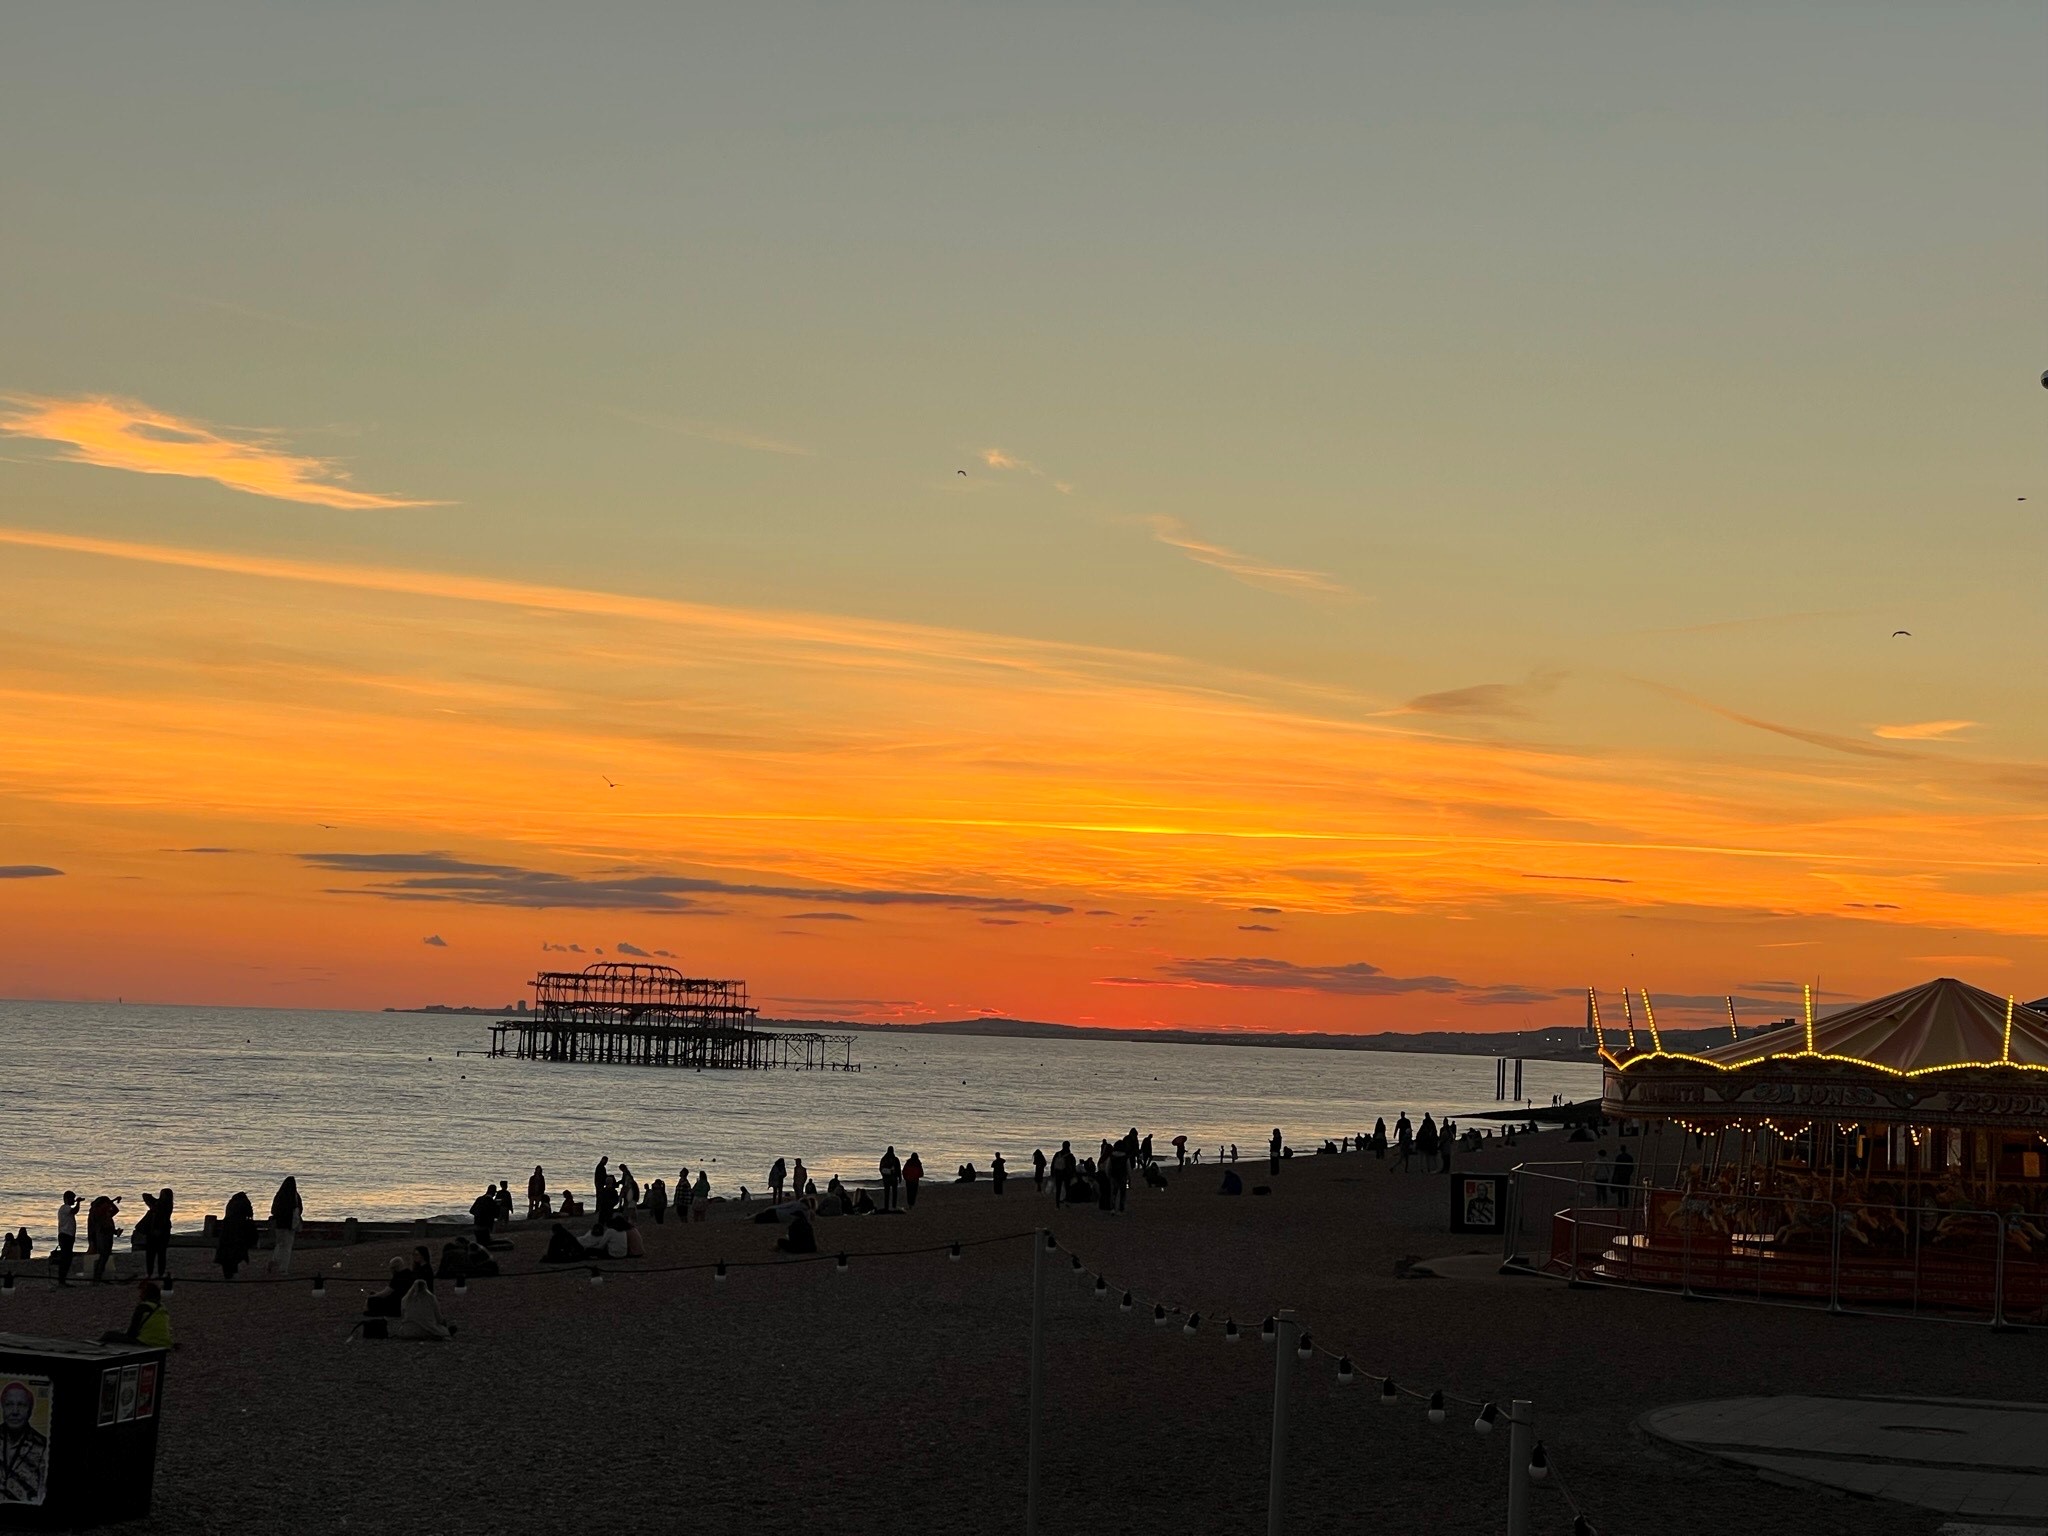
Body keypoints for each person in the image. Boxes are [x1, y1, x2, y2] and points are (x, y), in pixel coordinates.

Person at [0, 1379, 50, 1504]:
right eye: (9, 1404)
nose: (15, 1411)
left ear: (30, 1410)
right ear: (2, 1408)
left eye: (21, 1405)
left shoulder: (43, 1446)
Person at [100, 1279, 172, 1348]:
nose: (139, 1296)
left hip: (147, 1343)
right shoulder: (162, 1308)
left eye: (141, 1293)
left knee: (108, 1335)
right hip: (164, 1343)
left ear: (145, 1294)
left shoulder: (143, 1307)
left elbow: (132, 1332)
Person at [214, 1192, 256, 1280]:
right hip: (239, 1233)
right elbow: (249, 1214)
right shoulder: (244, 1205)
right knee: (236, 1253)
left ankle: (228, 1273)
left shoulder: (231, 1206)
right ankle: (233, 1272)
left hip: (227, 1234)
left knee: (227, 1253)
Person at [267, 1177, 303, 1277]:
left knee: (279, 1244)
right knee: (287, 1247)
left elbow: (273, 1210)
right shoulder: (295, 1196)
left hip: (280, 1224)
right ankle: (283, 1268)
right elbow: (300, 1209)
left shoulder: (279, 1195)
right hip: (290, 1225)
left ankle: (274, 1260)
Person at [137, 1188, 173, 1280]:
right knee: (158, 1254)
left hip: (158, 1232)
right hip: (160, 1232)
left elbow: (146, 1197)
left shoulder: (162, 1205)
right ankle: (156, 1273)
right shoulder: (162, 1204)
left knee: (154, 1254)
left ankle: (153, 1273)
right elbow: (145, 1195)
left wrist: (153, 1203)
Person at [86, 1195, 120, 1284]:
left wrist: (112, 1202)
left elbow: (116, 1210)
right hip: (103, 1235)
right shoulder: (97, 1212)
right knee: (103, 1256)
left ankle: (99, 1276)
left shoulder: (105, 1212)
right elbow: (101, 1226)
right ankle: (97, 1277)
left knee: (105, 1256)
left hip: (107, 1234)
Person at [53, 1192, 79, 1287]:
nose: (73, 1200)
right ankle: (61, 1280)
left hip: (68, 1235)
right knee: (65, 1258)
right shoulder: (64, 1208)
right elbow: (74, 1211)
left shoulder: (66, 1208)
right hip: (65, 1236)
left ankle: (63, 1279)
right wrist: (78, 1203)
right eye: (72, 1199)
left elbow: (74, 1211)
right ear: (67, 1199)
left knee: (67, 1258)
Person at [1050, 1142, 1075, 1207]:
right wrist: (1073, 1174)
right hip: (1067, 1174)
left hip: (1058, 1173)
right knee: (1067, 1188)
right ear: (1069, 1146)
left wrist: (1052, 1173)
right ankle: (1067, 1202)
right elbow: (1073, 1166)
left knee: (1058, 1189)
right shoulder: (1070, 1155)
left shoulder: (1057, 1154)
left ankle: (1057, 1203)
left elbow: (1053, 1164)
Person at [879, 1147, 902, 1212]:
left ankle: (886, 1207)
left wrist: (884, 1175)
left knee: (887, 1193)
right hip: (894, 1178)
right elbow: (899, 1169)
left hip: (887, 1179)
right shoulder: (895, 1159)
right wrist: (900, 1177)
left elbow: (880, 1169)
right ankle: (893, 1206)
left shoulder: (884, 1159)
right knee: (894, 1193)